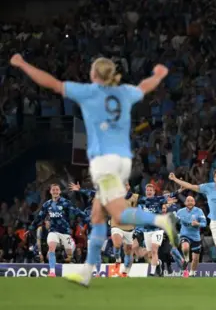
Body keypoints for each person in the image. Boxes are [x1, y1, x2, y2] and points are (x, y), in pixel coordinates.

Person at [10, 54, 178, 286]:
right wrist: (158, 75)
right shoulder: (124, 92)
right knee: (97, 214)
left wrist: (24, 64)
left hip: (104, 162)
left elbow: (51, 83)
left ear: (95, 74)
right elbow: (144, 86)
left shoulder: (89, 92)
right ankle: (88, 271)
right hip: (122, 159)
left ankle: (160, 220)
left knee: (118, 213)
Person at [28, 184, 87, 277]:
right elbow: (39, 217)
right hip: (53, 231)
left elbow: (77, 211)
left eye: (57, 190)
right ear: (50, 192)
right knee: (51, 248)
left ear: (59, 191)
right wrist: (31, 227)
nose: (55, 191)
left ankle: (73, 261)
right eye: (53, 190)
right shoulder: (47, 204)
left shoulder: (65, 202)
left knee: (70, 253)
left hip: (65, 232)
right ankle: (52, 272)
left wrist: (88, 217)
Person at [138, 184, 179, 276]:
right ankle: (158, 263)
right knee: (149, 255)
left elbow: (171, 194)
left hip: (157, 229)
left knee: (154, 250)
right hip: (146, 230)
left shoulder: (159, 199)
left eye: (150, 190)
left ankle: (152, 273)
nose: (149, 192)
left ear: (154, 192)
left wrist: (180, 190)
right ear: (145, 191)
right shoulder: (142, 201)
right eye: (147, 190)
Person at [176, 195, 206, 277]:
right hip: (185, 235)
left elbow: (205, 224)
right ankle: (186, 259)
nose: (190, 202)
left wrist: (198, 224)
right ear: (185, 202)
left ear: (194, 202)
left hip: (196, 237)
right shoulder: (180, 212)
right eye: (188, 200)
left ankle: (192, 273)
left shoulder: (199, 211)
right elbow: (175, 220)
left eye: (191, 200)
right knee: (185, 247)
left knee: (196, 258)